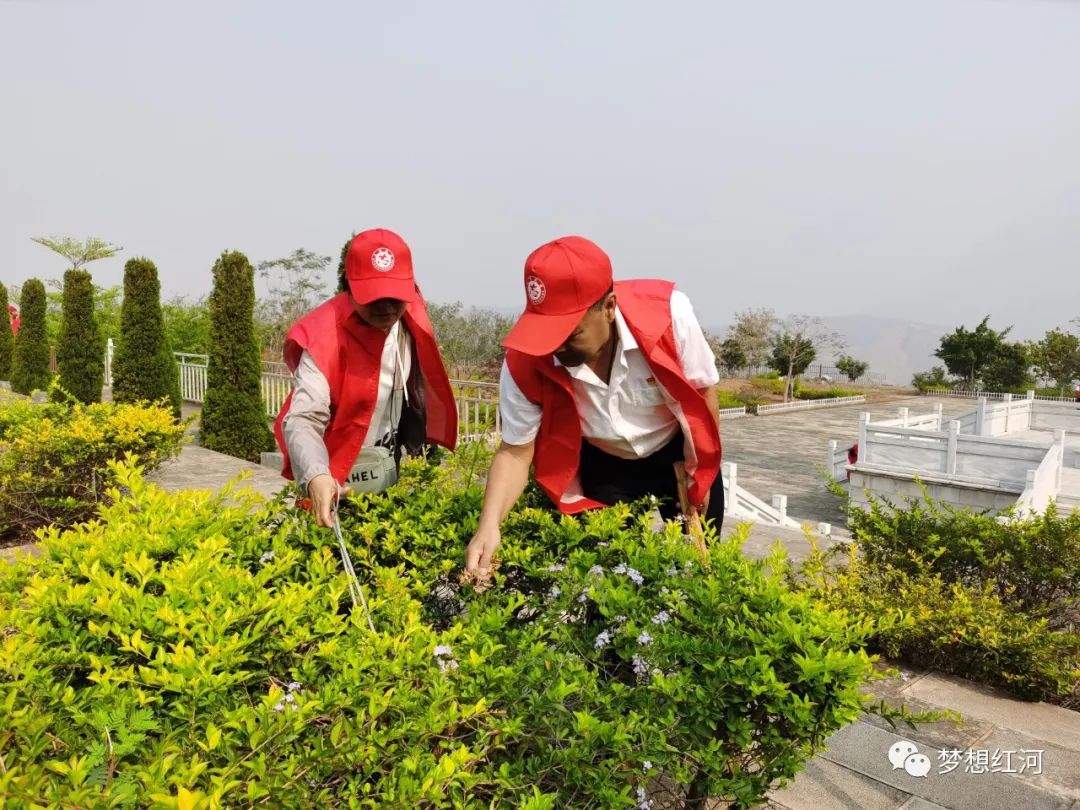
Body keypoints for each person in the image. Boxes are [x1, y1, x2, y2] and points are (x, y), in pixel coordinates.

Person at [465, 235, 723, 576]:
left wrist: (701, 474)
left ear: (609, 307)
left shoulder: (669, 316)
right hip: (604, 462)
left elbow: (702, 396)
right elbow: (515, 451)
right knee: (609, 576)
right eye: (547, 333)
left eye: (569, 335)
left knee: (700, 570)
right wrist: (489, 526)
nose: (554, 347)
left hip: (675, 451)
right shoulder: (524, 360)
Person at [273, 228, 458, 527]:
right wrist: (316, 475)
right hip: (336, 476)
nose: (386, 307)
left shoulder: (410, 317)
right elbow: (303, 418)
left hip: (386, 468)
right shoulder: (323, 338)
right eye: (374, 297)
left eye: (395, 296)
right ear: (350, 288)